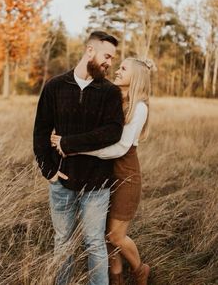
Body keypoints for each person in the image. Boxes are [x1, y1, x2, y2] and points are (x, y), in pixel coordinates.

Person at [33, 31, 124, 285]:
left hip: (97, 183)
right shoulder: (55, 86)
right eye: (107, 56)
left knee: (94, 241)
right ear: (90, 50)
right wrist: (48, 170)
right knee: (62, 240)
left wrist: (68, 142)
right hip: (61, 181)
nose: (110, 63)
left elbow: (113, 131)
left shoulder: (109, 92)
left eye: (113, 58)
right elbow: (41, 130)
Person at [51, 57, 153, 285]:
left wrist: (77, 150)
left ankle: (140, 269)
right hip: (102, 174)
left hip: (125, 175)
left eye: (123, 68)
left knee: (116, 235)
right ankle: (115, 278)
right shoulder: (113, 98)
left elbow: (120, 148)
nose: (117, 71)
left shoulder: (140, 107)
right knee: (103, 235)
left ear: (135, 76)